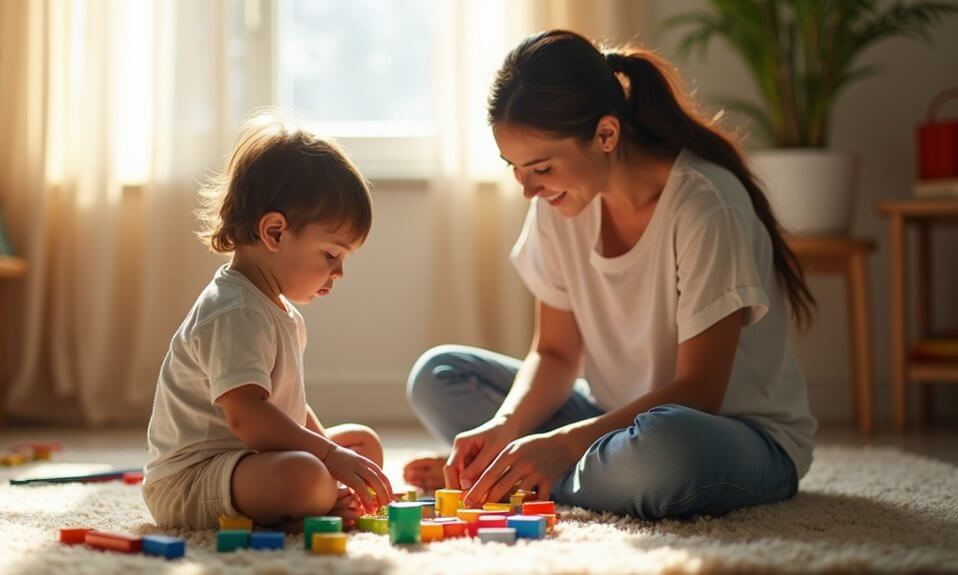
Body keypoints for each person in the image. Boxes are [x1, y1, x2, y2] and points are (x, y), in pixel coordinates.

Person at [404, 30, 817, 520]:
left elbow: (701, 391)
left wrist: (559, 444)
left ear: (606, 135)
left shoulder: (706, 206)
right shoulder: (557, 203)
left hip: (729, 433)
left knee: (663, 453)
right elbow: (555, 353)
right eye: (513, 167)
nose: (528, 189)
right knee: (438, 375)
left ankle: (529, 477)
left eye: (541, 167)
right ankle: (534, 470)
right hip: (610, 419)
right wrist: (506, 427)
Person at [143, 111, 392, 530]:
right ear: (275, 232)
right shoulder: (235, 310)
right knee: (307, 475)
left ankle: (317, 499)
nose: (339, 273)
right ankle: (314, 502)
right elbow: (248, 417)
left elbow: (287, 407)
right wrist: (327, 457)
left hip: (245, 463)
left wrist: (330, 445)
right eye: (332, 255)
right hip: (194, 480)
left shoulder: (277, 310)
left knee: (362, 444)